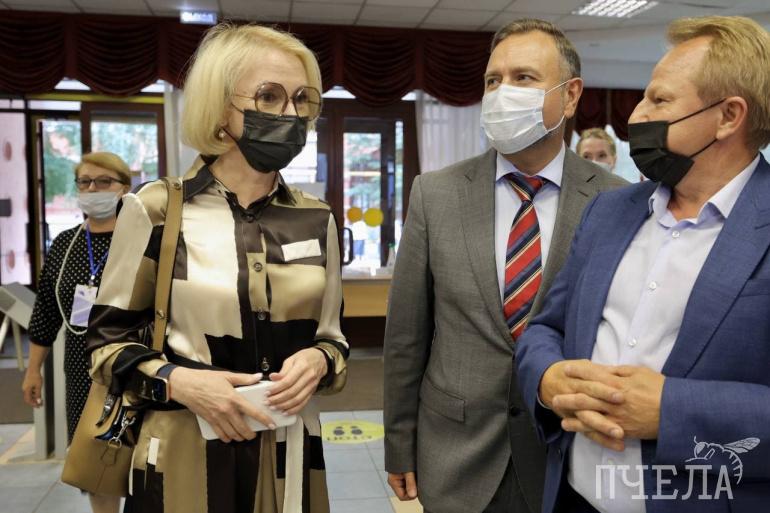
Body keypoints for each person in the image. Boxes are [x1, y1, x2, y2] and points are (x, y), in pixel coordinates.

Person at [85, 23, 348, 513]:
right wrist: (179, 381)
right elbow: (105, 346)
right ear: (219, 107)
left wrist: (319, 361)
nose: (290, 114)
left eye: (301, 99)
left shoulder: (316, 218)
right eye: (268, 96)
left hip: (288, 453)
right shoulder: (158, 209)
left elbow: (333, 340)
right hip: (184, 454)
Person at [515, 15, 770, 513]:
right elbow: (547, 327)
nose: (636, 115)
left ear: (728, 116)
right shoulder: (609, 211)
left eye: (659, 100)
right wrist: (548, 378)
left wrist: (671, 412)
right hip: (572, 499)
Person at [383, 18, 627, 513]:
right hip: (456, 454)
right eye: (493, 80)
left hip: (568, 456)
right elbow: (407, 335)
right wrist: (398, 443)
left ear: (571, 95)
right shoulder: (435, 194)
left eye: (523, 78)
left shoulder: (617, 201)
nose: (501, 93)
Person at [22, 151, 131, 513]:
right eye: (85, 182)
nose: (92, 189)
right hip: (83, 371)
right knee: (94, 462)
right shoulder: (64, 245)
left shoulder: (142, 240)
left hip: (134, 363)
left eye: (103, 181)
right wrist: (33, 370)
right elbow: (45, 312)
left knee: (140, 454)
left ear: (124, 188)